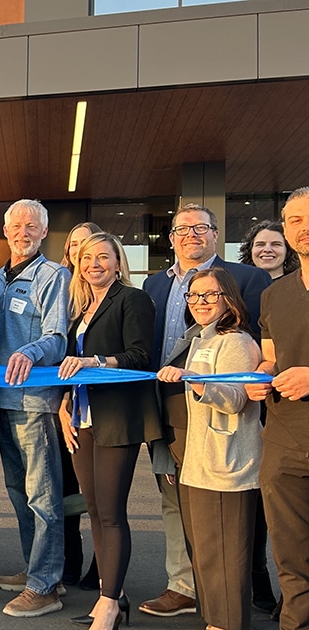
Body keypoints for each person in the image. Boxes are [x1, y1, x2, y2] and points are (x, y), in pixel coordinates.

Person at [140, 203, 270, 618]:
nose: (190, 235)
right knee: (179, 504)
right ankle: (185, 586)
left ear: (215, 234)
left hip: (221, 415)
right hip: (169, 407)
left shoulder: (249, 278)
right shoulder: (155, 285)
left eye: (201, 228)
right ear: (171, 238)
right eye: (181, 230)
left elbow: (259, 345)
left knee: (228, 518)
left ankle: (240, 595)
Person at [59, 232, 161, 630]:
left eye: (103, 257)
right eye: (87, 258)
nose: (94, 264)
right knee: (95, 511)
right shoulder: (82, 307)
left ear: (119, 262)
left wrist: (94, 362)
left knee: (112, 512)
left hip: (117, 417)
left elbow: (140, 356)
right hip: (83, 418)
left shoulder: (132, 300)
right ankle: (111, 594)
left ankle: (108, 603)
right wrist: (65, 404)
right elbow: (69, 366)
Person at [156, 267, 262, 630]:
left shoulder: (236, 341)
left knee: (226, 556)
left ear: (228, 298)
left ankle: (228, 623)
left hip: (227, 465)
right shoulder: (200, 338)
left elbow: (236, 399)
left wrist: (195, 381)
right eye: (194, 295)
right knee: (205, 554)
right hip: (197, 462)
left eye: (209, 295)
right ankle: (215, 621)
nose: (200, 302)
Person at [0, 200, 71, 617]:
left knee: (42, 496)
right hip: (1, 401)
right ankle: (34, 568)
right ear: (5, 231)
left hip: (33, 404)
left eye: (31, 226)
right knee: (19, 493)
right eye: (16, 225)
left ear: (44, 231)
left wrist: (29, 351)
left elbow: (58, 336)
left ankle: (46, 586)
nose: (23, 232)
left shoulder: (53, 275)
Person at [244, 186, 309, 630]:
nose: (303, 228)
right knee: (290, 553)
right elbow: (272, 356)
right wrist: (259, 377)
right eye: (294, 221)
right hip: (285, 438)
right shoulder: (275, 294)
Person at [58, 220, 102, 589]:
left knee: (99, 497)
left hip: (102, 413)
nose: (80, 252)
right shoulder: (65, 294)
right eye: (74, 246)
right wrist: (63, 401)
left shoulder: (109, 296)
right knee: (67, 492)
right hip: (68, 409)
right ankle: (70, 562)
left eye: (88, 246)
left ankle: (103, 567)